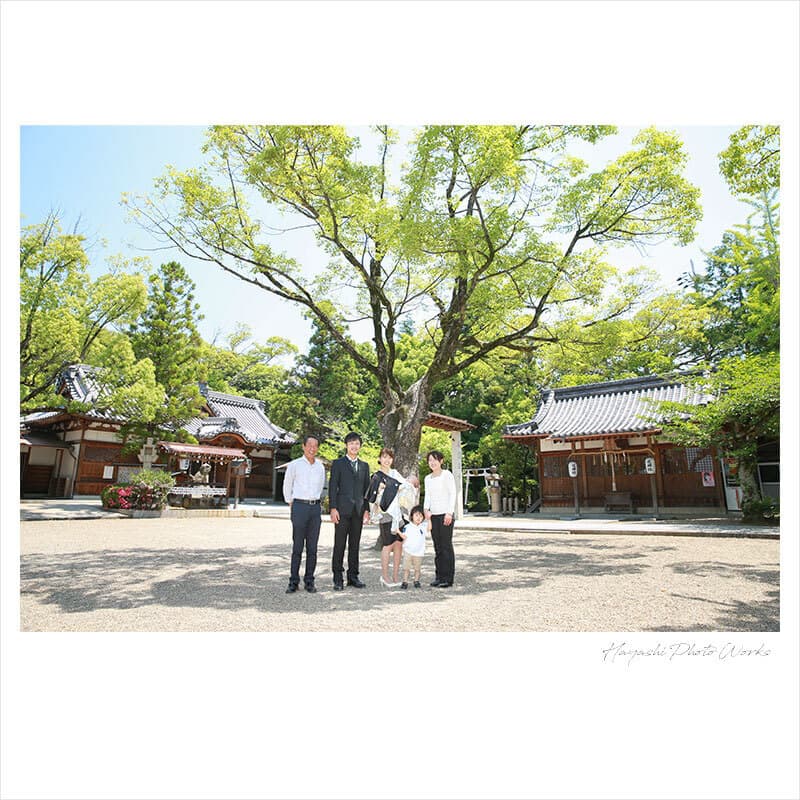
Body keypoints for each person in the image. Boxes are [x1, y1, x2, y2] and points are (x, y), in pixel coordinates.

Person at [282, 434, 325, 593]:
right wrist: (291, 502)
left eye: (315, 446)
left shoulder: (320, 467)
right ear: (304, 446)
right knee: (298, 546)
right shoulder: (295, 465)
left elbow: (320, 486)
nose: (312, 449)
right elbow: (287, 485)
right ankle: (293, 581)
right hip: (299, 506)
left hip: (315, 508)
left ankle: (309, 581)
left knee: (313, 547)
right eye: (310, 445)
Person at [328, 432, 370, 590]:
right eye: (351, 443)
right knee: (339, 545)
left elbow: (367, 490)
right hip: (341, 510)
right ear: (346, 445)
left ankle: (353, 576)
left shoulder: (365, 466)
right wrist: (333, 508)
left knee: (355, 545)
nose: (354, 446)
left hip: (358, 511)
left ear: (360, 446)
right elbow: (333, 487)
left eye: (357, 443)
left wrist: (367, 510)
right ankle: (337, 578)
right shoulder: (338, 463)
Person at [369, 448, 413, 588]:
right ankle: (385, 576)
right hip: (386, 513)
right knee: (387, 545)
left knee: (399, 544)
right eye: (384, 457)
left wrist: (396, 488)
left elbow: (405, 487)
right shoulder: (376, 476)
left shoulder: (395, 473)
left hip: (399, 514)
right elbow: (373, 497)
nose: (387, 460)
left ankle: (395, 576)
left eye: (389, 457)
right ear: (380, 459)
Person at [423, 450, 457, 588]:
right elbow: (428, 496)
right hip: (433, 516)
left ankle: (448, 578)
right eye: (430, 460)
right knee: (437, 547)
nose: (432, 462)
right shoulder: (427, 478)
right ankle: (439, 576)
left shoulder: (447, 475)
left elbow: (452, 493)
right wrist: (426, 510)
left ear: (441, 461)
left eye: (435, 459)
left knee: (446, 546)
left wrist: (449, 512)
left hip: (445, 514)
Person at [399, 504, 428, 589]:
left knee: (417, 568)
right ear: (412, 516)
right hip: (408, 551)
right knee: (406, 568)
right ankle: (405, 581)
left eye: (421, 516)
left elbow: (429, 528)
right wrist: (397, 531)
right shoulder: (407, 527)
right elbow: (404, 537)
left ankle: (416, 581)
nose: (418, 518)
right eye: (416, 515)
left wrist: (429, 519)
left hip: (419, 552)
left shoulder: (423, 526)